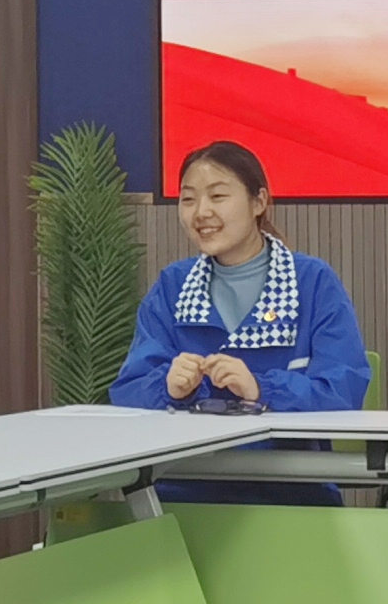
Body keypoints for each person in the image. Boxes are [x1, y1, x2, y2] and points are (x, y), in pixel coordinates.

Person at [107, 141, 371, 501]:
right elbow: (129, 390)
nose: (201, 212)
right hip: (184, 491)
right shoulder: (173, 286)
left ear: (258, 202)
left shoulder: (313, 282)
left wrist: (261, 389)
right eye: (188, 199)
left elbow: (344, 391)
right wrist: (168, 388)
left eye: (217, 196)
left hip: (292, 494)